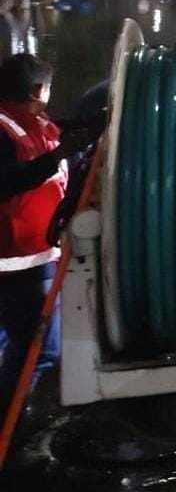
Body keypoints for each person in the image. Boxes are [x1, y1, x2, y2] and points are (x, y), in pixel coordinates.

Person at [0, 54, 95, 407]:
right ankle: (14, 428)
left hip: (36, 260)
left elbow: (56, 152)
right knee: (37, 353)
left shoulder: (36, 127)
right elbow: (8, 181)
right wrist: (55, 159)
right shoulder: (5, 130)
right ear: (39, 90)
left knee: (16, 348)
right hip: (17, 265)